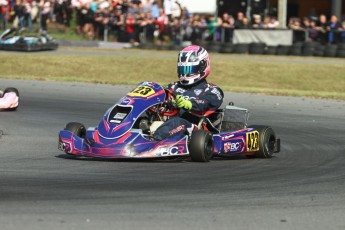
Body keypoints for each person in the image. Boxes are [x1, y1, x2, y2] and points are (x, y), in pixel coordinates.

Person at [154, 45, 224, 141]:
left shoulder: (211, 90)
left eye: (190, 69)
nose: (185, 74)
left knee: (177, 122)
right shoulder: (172, 87)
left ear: (202, 66)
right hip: (167, 125)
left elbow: (205, 104)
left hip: (195, 131)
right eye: (183, 69)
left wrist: (188, 104)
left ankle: (154, 142)